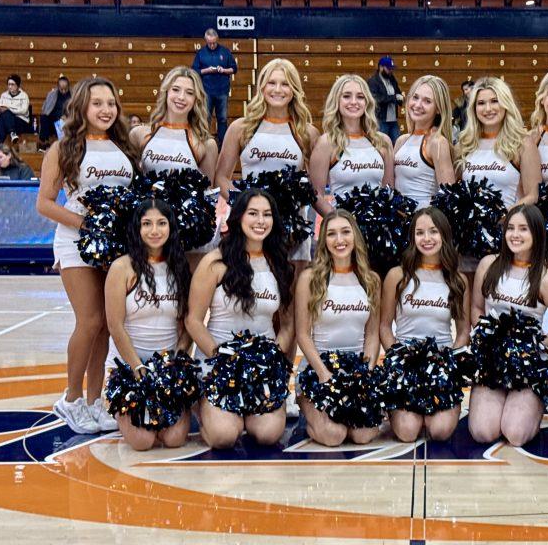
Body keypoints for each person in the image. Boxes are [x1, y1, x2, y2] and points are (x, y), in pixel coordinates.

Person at [36, 76, 139, 433]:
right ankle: (70, 398)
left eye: (111, 103)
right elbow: (45, 204)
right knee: (91, 320)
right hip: (76, 242)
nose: (106, 110)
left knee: (108, 327)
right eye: (97, 103)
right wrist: (86, 224)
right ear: (82, 107)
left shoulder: (124, 146)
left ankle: (95, 403)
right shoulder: (64, 148)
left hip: (116, 246)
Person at [186, 189, 295, 448]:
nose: (260, 221)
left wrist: (268, 359)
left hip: (262, 368)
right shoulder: (215, 262)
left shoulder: (280, 264)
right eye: (253, 213)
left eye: (267, 215)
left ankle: (243, 412)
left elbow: (288, 325)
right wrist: (222, 358)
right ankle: (205, 408)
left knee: (268, 434)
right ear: (238, 218)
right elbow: (193, 320)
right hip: (219, 365)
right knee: (224, 436)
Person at [469, 204, 548, 447]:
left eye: (523, 229)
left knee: (515, 433)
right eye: (511, 228)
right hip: (492, 362)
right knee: (483, 432)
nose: (515, 235)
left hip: (528, 365)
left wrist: (532, 347)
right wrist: (488, 339)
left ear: (536, 234)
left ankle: (529, 406)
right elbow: (476, 308)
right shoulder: (488, 265)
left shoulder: (545, 279)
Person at [104, 198, 193, 451]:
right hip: (130, 369)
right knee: (142, 442)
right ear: (137, 228)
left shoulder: (180, 266)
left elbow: (186, 325)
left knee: (174, 439)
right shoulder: (122, 267)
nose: (154, 231)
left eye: (161, 223)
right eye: (147, 224)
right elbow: (115, 326)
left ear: (171, 227)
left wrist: (176, 362)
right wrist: (138, 368)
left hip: (167, 368)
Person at [215, 58, 320, 265]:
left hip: (292, 227)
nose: (278, 89)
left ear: (294, 89)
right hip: (249, 223)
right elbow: (220, 177)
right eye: (272, 83)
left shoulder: (307, 132)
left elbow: (314, 187)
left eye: (285, 83)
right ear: (262, 87)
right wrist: (246, 204)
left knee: (291, 290)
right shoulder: (241, 128)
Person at [380, 207, 471, 442]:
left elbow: (463, 332)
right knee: (408, 432)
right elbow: (384, 327)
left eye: (433, 232)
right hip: (404, 365)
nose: (427, 239)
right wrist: (399, 359)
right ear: (412, 238)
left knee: (440, 431)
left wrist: (448, 362)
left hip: (440, 366)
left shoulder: (457, 280)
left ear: (444, 236)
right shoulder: (397, 276)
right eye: (420, 233)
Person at [294, 210, 382, 447]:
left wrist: (366, 372)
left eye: (345, 232)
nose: (339, 240)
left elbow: (372, 334)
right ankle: (311, 413)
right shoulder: (310, 278)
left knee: (362, 436)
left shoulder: (371, 280)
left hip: (355, 369)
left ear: (355, 237)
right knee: (333, 436)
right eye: (331, 234)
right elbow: (302, 334)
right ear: (323, 241)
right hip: (319, 369)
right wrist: (323, 374)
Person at [457, 76, 540, 285]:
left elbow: (532, 195)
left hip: (506, 237)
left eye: (494, 101)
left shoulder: (522, 143)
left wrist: (502, 217)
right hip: (469, 240)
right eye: (481, 103)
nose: (488, 108)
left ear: (505, 104)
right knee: (469, 308)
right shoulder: (464, 145)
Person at [309, 74, 393, 212]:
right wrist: (340, 222)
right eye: (346, 96)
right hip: (343, 229)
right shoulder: (327, 143)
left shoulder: (382, 142)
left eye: (360, 97)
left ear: (367, 102)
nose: (354, 102)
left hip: (377, 229)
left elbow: (390, 191)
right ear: (337, 100)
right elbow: (315, 195)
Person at [132, 65, 217, 181]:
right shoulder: (139, 134)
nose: (181, 97)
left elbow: (208, 193)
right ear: (166, 92)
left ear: (196, 99)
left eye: (189, 93)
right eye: (176, 89)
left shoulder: (205, 144)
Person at [392, 74, 457, 208]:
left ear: (438, 108)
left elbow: (449, 197)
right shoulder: (401, 141)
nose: (418, 105)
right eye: (415, 97)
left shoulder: (437, 142)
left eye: (427, 101)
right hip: (398, 225)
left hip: (423, 225)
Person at [191, 28, 238, 148]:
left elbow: (234, 68)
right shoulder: (201, 53)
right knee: (206, 118)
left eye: (214, 43)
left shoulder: (225, 52)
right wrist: (206, 70)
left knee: (222, 118)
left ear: (217, 39)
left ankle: (222, 144)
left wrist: (224, 70)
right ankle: (205, 142)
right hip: (206, 91)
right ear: (206, 40)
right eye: (209, 43)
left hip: (222, 91)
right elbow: (194, 71)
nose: (212, 45)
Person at [367, 56, 403, 143]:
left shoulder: (392, 79)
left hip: (393, 119)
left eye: (392, 69)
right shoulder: (373, 81)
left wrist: (399, 98)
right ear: (381, 67)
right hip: (381, 120)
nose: (391, 71)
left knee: (398, 144)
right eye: (389, 68)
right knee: (381, 145)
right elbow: (375, 99)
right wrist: (393, 97)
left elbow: (397, 92)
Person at [0, 74, 31, 144]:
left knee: (5, 114)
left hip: (20, 121)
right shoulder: (4, 95)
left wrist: (9, 109)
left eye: (12, 84)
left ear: (17, 85)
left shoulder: (24, 96)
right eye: (9, 84)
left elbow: (24, 111)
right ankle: (12, 133)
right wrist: (0, 111)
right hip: (5, 120)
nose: (10, 87)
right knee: (3, 117)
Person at [39, 76, 71, 147]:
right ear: (58, 87)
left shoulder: (73, 95)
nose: (63, 91)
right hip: (53, 119)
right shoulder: (51, 94)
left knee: (61, 122)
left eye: (65, 89)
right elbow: (45, 109)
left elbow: (76, 109)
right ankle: (44, 141)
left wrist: (67, 116)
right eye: (61, 89)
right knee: (44, 117)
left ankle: (61, 143)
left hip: (67, 119)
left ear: (68, 86)